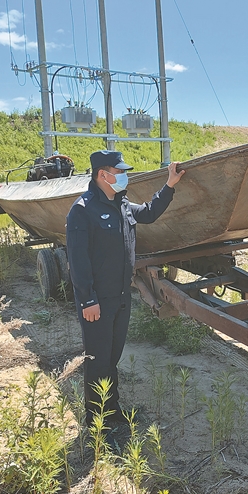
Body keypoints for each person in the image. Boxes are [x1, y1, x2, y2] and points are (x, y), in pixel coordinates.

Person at [66, 150, 184, 427]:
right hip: (97, 301)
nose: (123, 176)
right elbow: (78, 261)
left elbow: (150, 213)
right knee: (97, 361)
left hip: (121, 297)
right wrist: (87, 301)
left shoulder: (121, 205)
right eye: (119, 172)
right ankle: (97, 422)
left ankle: (113, 411)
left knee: (111, 358)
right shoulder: (82, 211)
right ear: (102, 175)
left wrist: (169, 185)